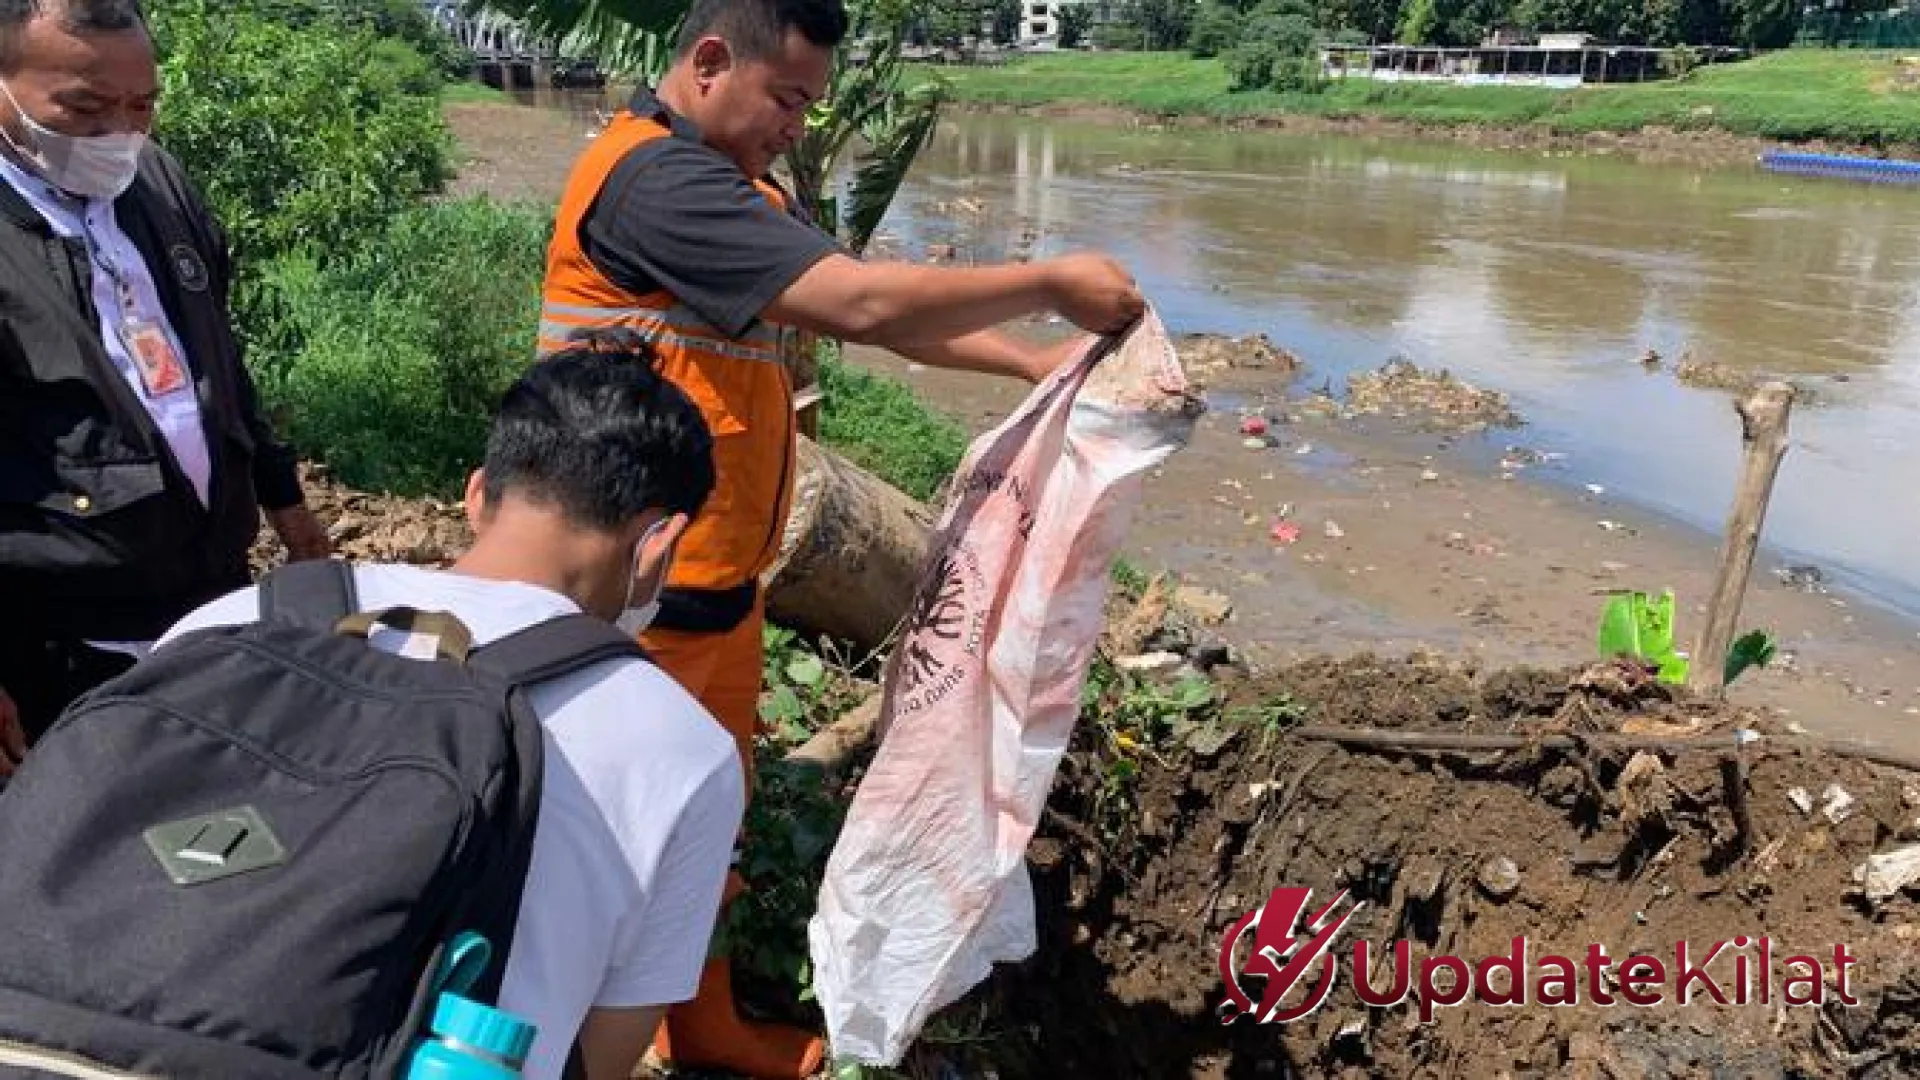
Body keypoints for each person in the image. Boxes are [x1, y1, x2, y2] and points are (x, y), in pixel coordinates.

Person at [537, 0, 1146, 1072]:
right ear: (711, 61)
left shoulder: (742, 188)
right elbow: (862, 302)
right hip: (627, 600)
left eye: (812, 105)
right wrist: (1052, 282)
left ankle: (704, 1026)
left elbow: (869, 311)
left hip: (718, 588)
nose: (798, 128)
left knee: (702, 830)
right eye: (788, 99)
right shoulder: (655, 183)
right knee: (601, 842)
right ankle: (557, 1044)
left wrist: (1027, 364)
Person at [154, 340, 746, 1080]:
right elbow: (600, 1055)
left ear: (475, 495)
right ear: (660, 545)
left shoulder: (227, 623)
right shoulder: (684, 749)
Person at [0, 0, 330, 776]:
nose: (119, 130)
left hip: (206, 612)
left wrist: (284, 500)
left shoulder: (156, 183)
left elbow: (220, 355)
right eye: (83, 107)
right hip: (59, 645)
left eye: (141, 104)